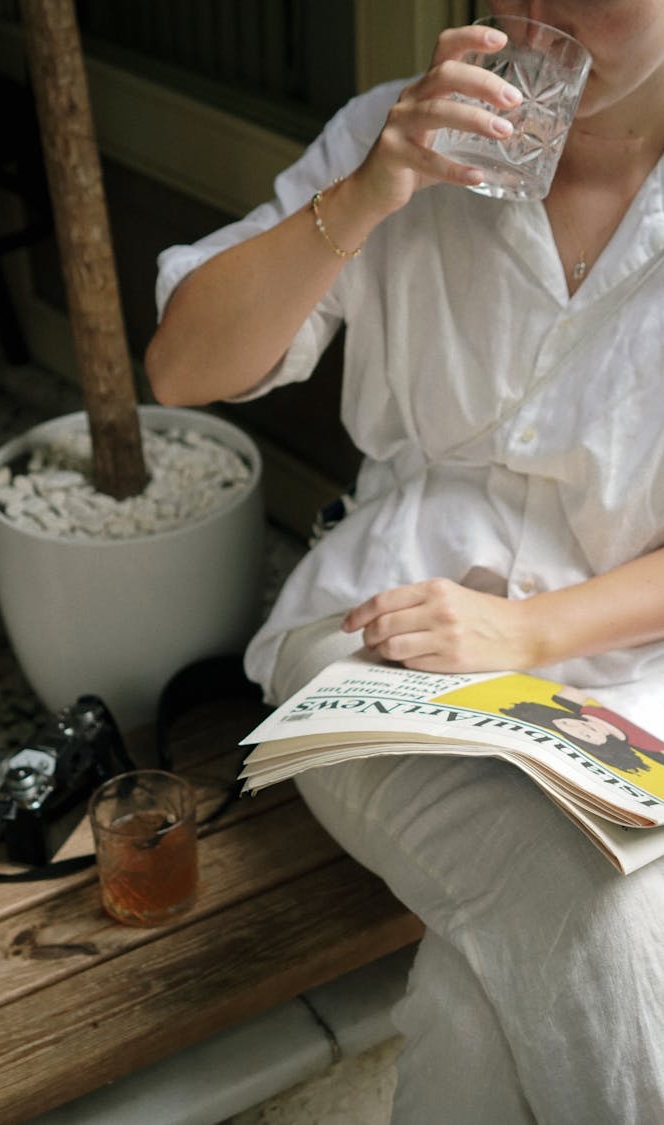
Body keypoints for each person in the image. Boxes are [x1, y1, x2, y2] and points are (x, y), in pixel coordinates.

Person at [145, 2, 664, 1121]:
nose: (543, 9)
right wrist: (370, 190)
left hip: (634, 669)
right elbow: (183, 366)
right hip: (384, 637)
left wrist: (529, 632)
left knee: (490, 1005)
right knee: (593, 913)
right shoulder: (398, 133)